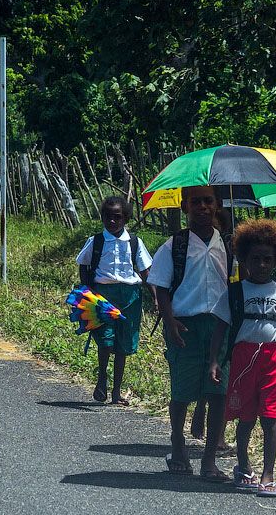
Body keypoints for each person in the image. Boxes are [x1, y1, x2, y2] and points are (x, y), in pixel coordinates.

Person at [208, 219, 276, 497]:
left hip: (274, 357)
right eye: (255, 259)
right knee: (245, 416)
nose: (261, 265)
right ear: (244, 260)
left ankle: (268, 474)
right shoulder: (235, 292)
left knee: (270, 416)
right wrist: (214, 360)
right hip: (243, 356)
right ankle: (244, 466)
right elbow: (221, 328)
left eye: (267, 259)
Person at [147, 185, 231, 480]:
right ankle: (178, 443)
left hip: (221, 326)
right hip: (184, 325)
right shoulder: (175, 246)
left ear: (218, 205)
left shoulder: (229, 244)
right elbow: (160, 285)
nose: (203, 207)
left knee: (218, 392)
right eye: (196, 202)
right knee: (182, 390)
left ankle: (209, 460)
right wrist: (169, 322)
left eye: (208, 201)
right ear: (185, 207)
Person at [75, 196, 155, 405]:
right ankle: (102, 379)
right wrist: (87, 292)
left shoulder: (135, 242)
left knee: (123, 343)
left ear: (126, 218)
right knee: (105, 339)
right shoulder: (96, 241)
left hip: (130, 297)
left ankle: (116, 391)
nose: (112, 221)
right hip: (103, 296)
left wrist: (156, 296)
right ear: (102, 218)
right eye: (107, 217)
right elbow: (83, 264)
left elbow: (145, 270)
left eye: (117, 217)